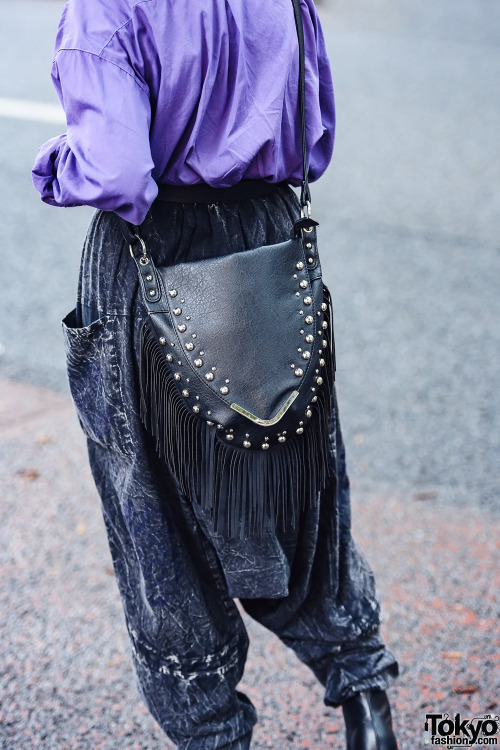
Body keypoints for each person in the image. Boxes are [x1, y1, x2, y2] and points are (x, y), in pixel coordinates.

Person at [32, 0, 400, 748]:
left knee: (157, 520)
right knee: (297, 490)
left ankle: (212, 730)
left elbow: (117, 171)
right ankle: (364, 695)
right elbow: (313, 142)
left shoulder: (105, 9)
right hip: (269, 253)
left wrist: (55, 165)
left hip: (155, 263)